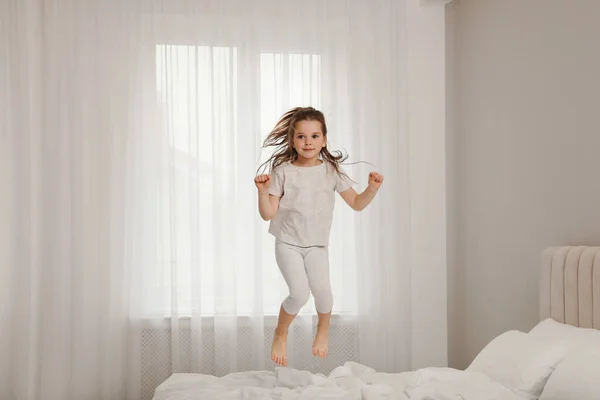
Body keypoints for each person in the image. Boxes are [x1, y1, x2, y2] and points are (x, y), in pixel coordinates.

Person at [254, 107, 384, 367]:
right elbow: (268, 214)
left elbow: (357, 204)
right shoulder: (282, 171)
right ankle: (281, 333)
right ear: (292, 140)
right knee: (299, 294)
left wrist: (372, 188)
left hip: (316, 245)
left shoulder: (331, 171)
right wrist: (262, 191)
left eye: (314, 136)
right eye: (301, 137)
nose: (308, 142)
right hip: (288, 242)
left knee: (324, 294)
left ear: (324, 139)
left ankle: (322, 330)